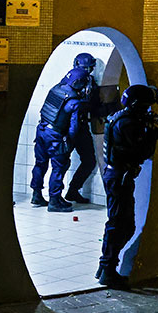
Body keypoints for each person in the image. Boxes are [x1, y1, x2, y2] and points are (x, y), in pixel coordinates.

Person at [98, 84, 158, 289]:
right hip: (119, 177)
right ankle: (107, 270)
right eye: (147, 105)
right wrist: (154, 135)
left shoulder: (122, 117)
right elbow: (142, 152)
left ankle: (105, 266)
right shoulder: (127, 124)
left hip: (118, 175)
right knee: (120, 225)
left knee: (121, 224)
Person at [30, 67, 94, 212]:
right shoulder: (74, 101)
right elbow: (74, 127)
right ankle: (54, 201)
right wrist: (69, 143)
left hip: (41, 130)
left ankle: (36, 195)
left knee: (40, 164)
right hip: (55, 136)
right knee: (59, 167)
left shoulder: (56, 88)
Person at [62, 53, 100, 204]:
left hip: (81, 126)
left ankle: (73, 190)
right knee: (61, 163)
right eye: (85, 68)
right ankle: (54, 196)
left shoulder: (91, 83)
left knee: (89, 161)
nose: (87, 71)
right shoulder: (68, 81)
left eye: (89, 68)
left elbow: (94, 103)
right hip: (67, 127)